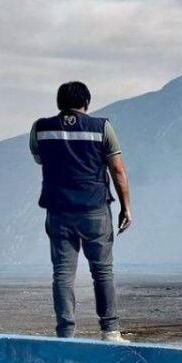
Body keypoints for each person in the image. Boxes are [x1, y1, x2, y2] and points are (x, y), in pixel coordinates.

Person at [30, 81, 131, 342]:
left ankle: (65, 333)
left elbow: (40, 158)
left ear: (59, 103)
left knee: (63, 273)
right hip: (94, 210)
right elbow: (117, 170)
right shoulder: (102, 128)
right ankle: (110, 331)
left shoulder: (41, 129)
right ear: (86, 103)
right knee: (102, 271)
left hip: (59, 211)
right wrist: (125, 207)